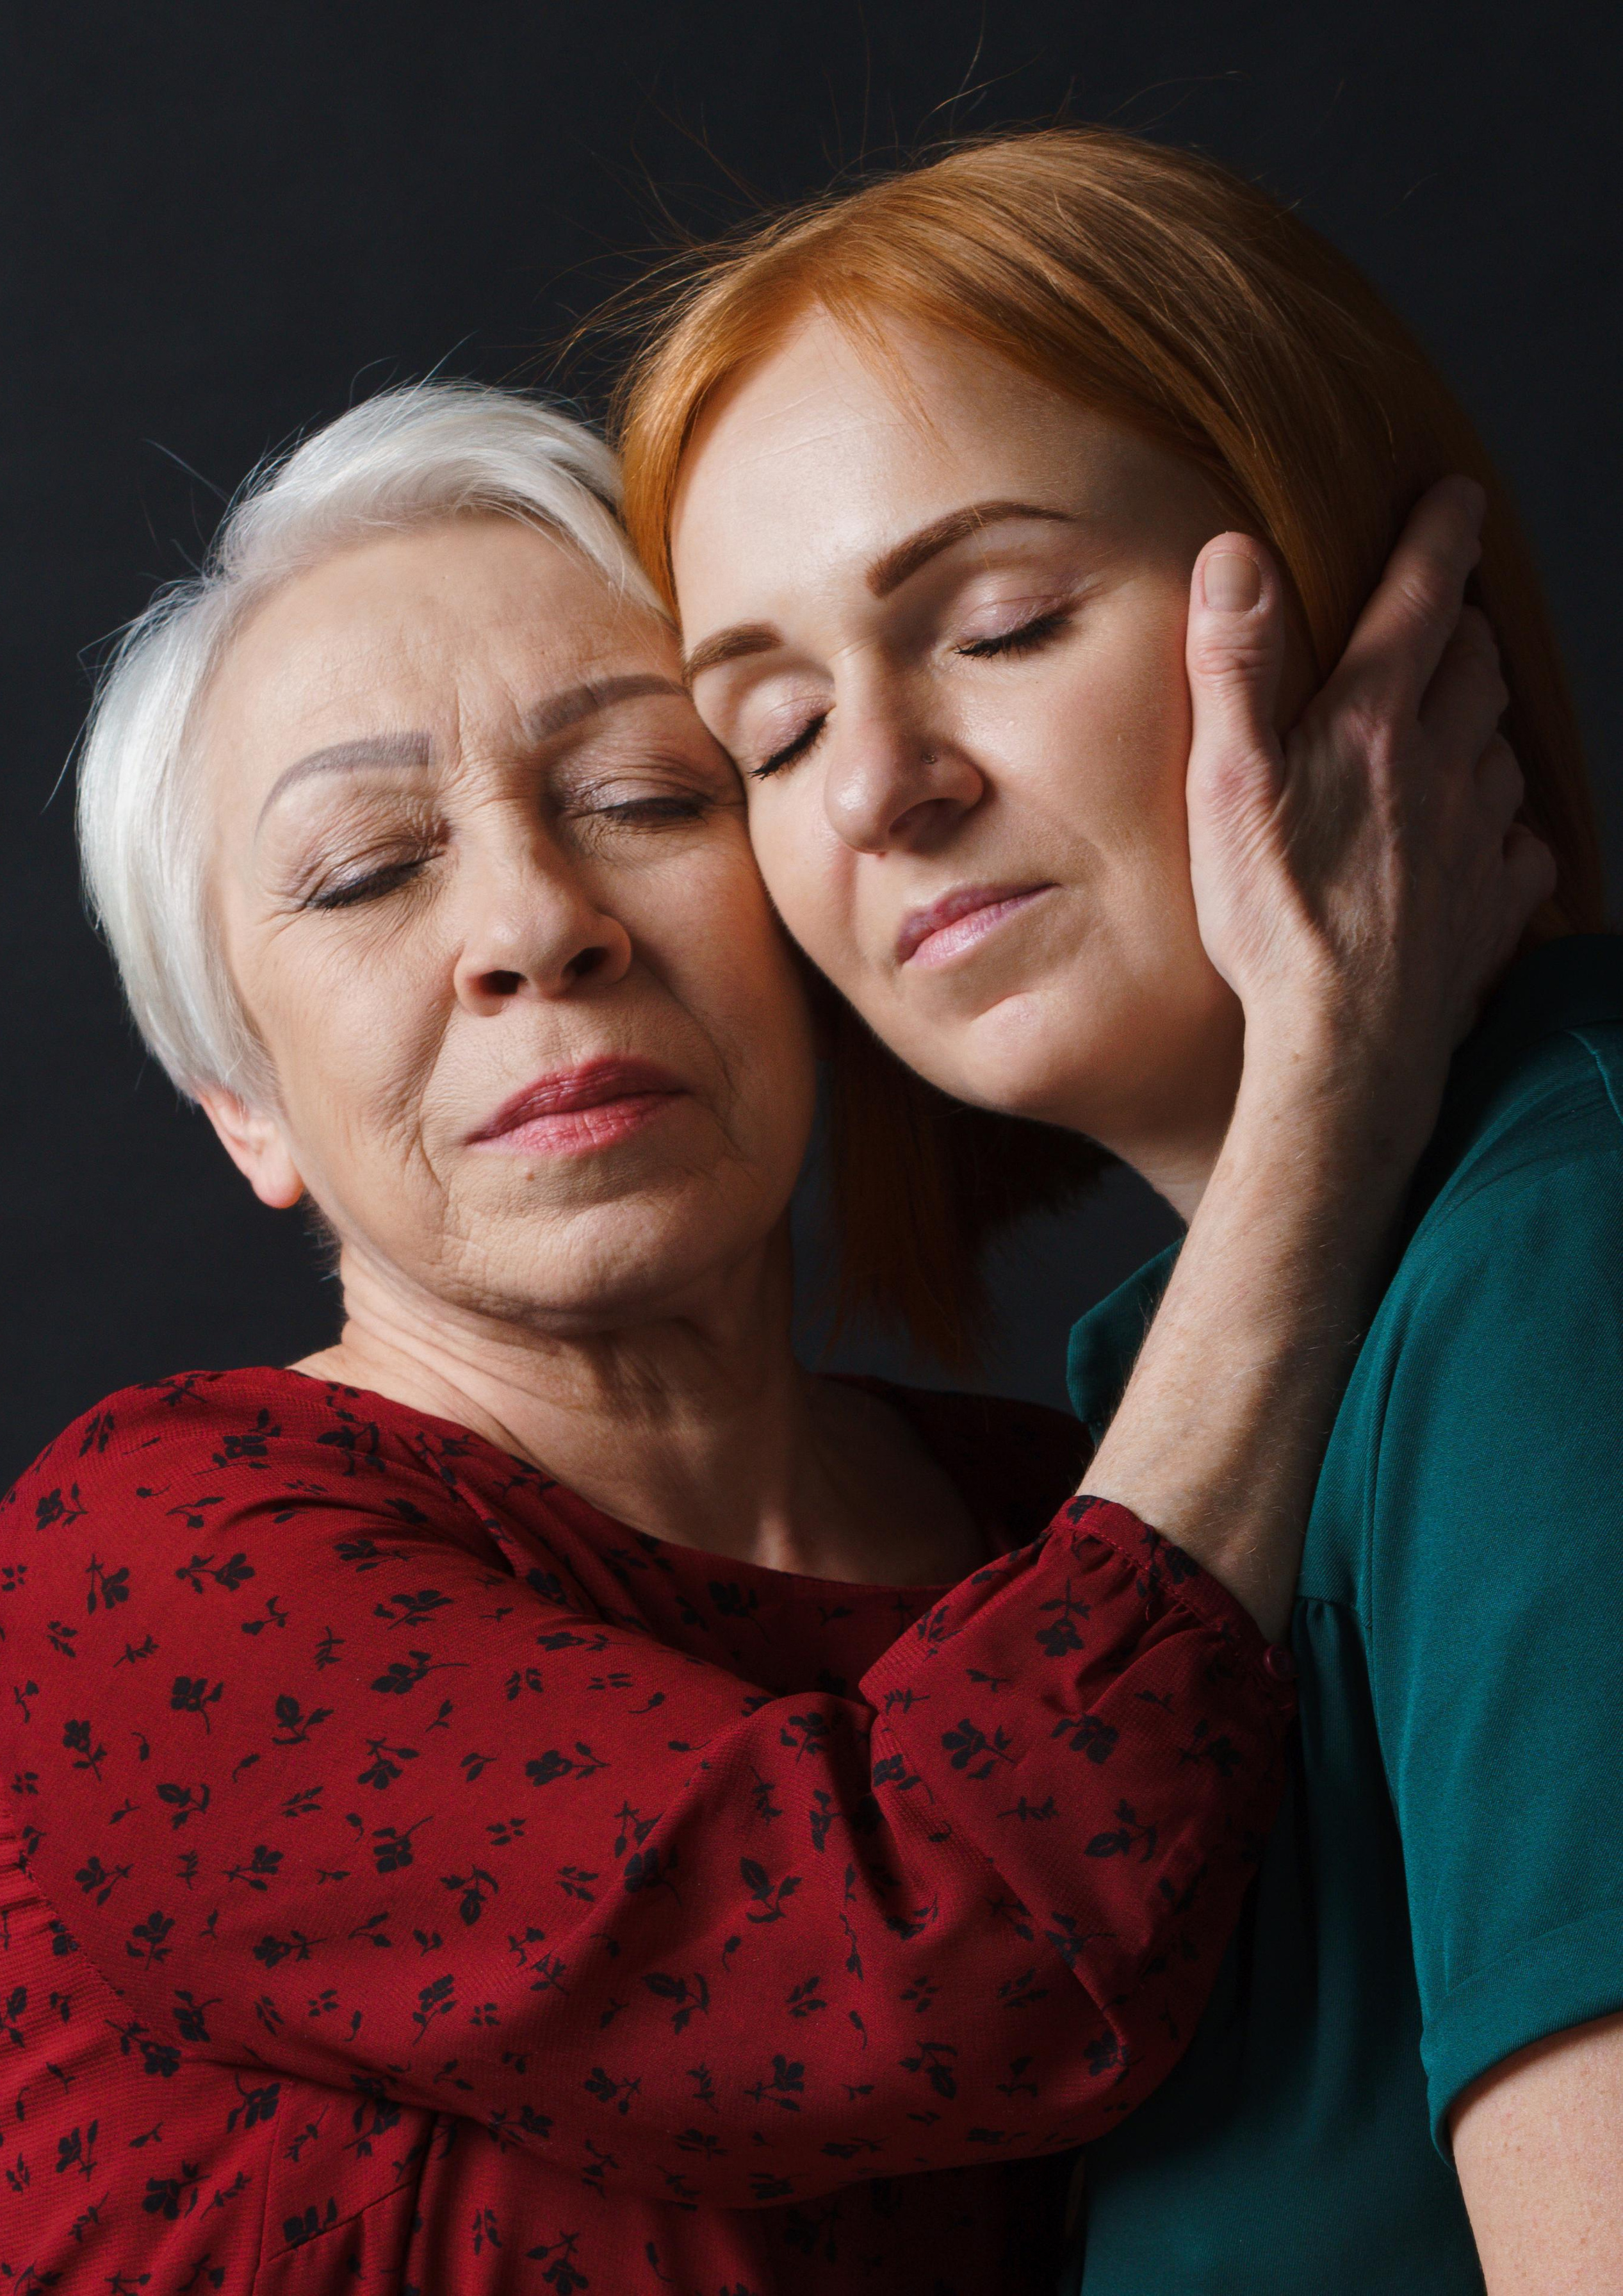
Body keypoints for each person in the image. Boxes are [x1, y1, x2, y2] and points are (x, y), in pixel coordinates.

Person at [0, 382, 1529, 2296]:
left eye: (647, 799)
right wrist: (1329, 1093)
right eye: (372, 870)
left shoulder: (1067, 1506)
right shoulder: (158, 1562)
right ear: (242, 1102)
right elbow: (924, 1960)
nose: (537, 927)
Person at [619, 124, 1621, 2293]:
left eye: (999, 621)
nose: (881, 783)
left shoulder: (1561, 1261)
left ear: (1360, 594)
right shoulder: (1163, 1427)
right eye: (770, 732)